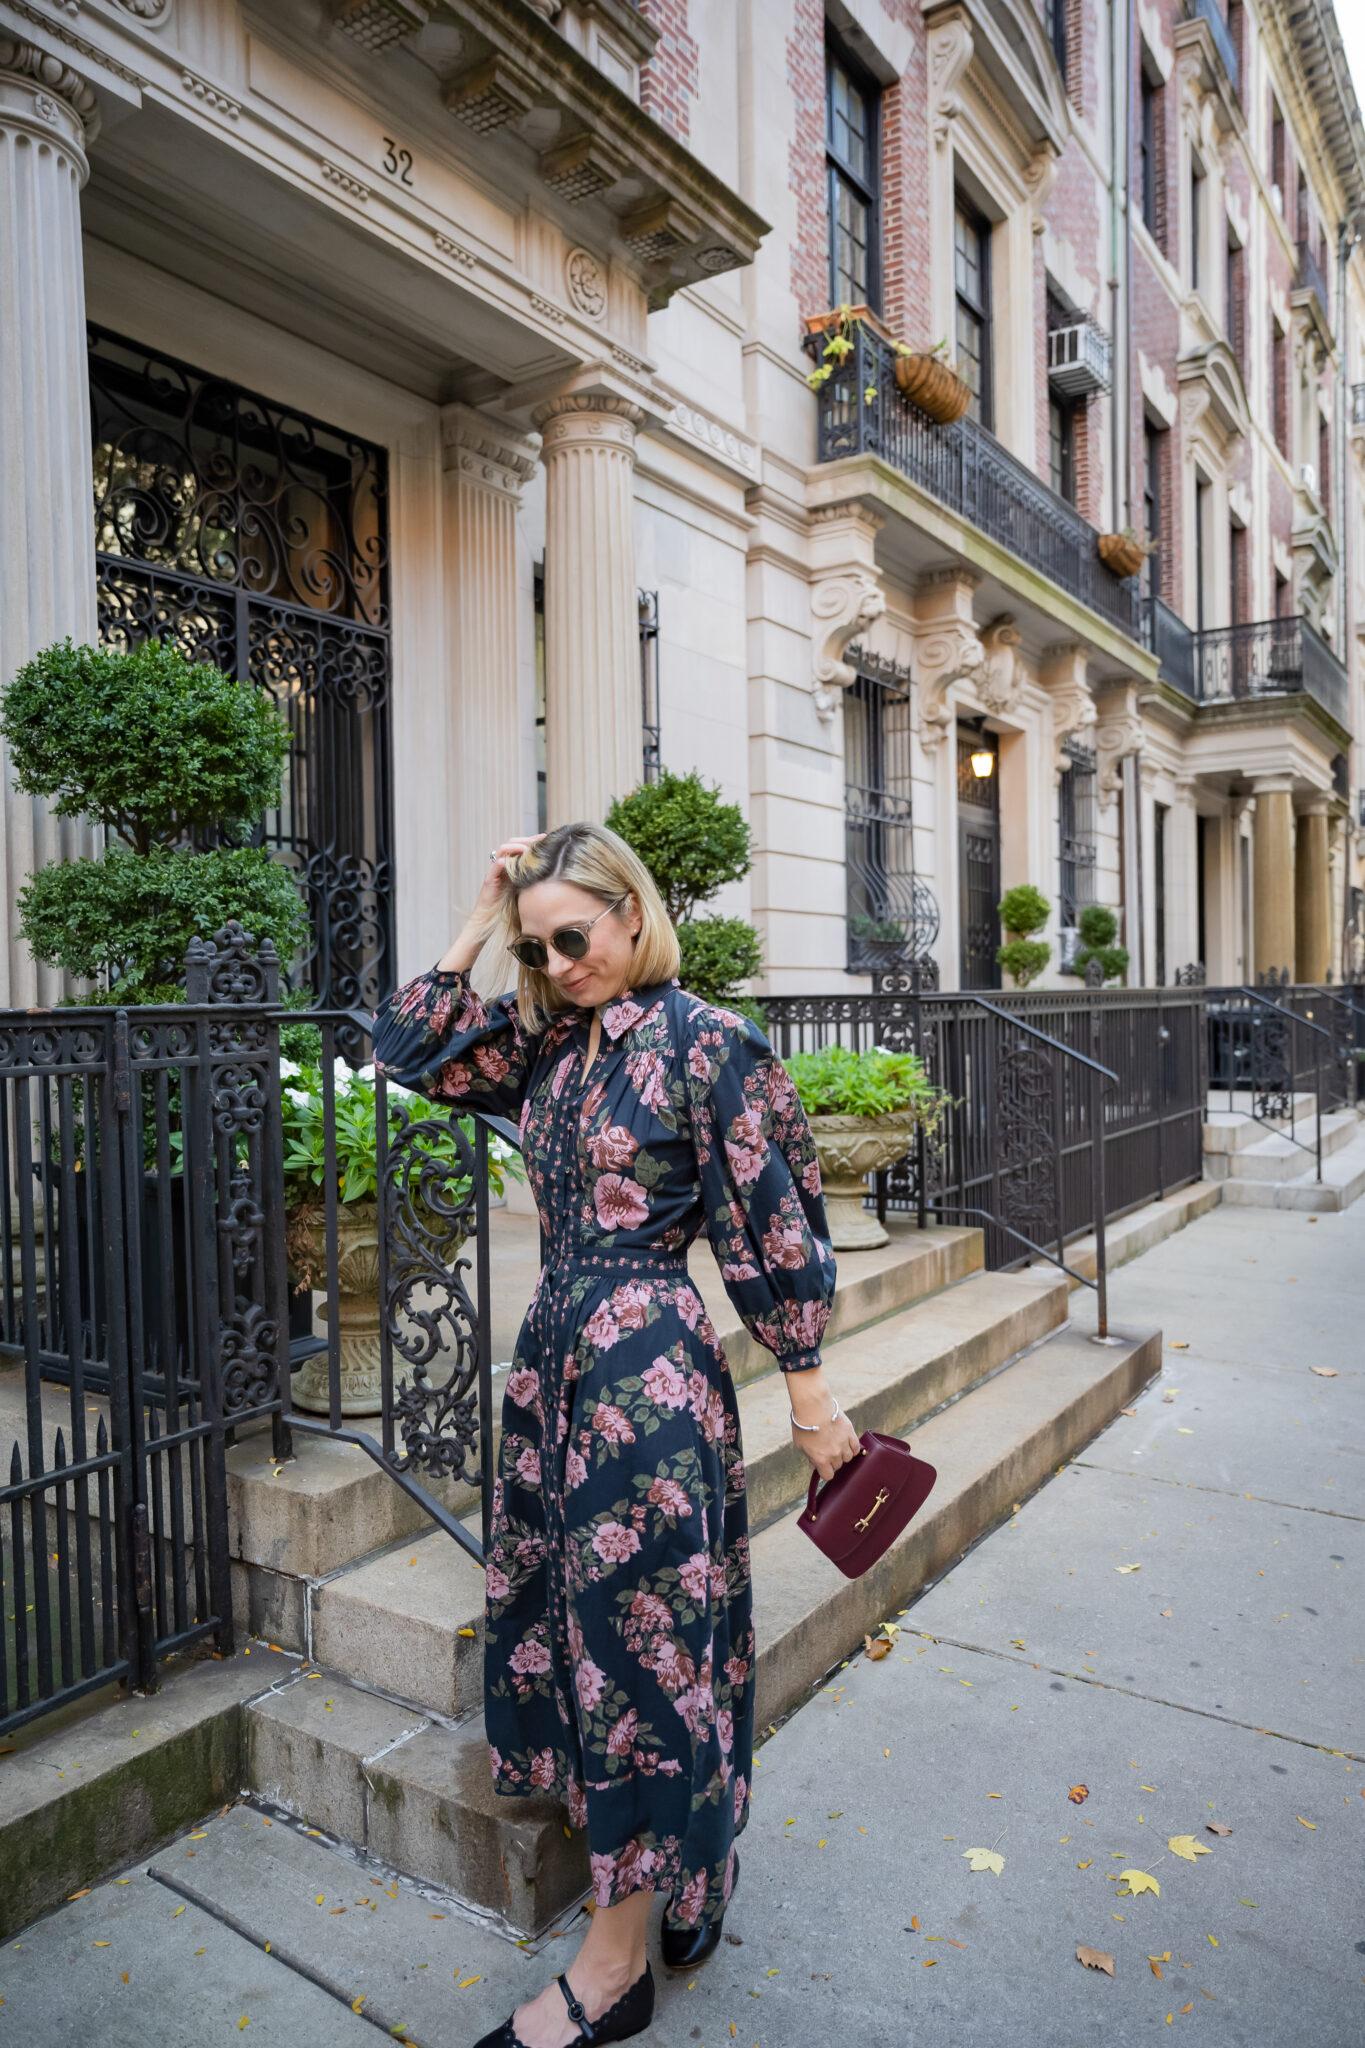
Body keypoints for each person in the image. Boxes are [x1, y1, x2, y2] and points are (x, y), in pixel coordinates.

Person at [372, 822, 859, 2048]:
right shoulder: (545, 1044)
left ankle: (615, 1962)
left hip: (649, 1376)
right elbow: (408, 1045)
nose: (559, 960)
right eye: (541, 948)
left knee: (641, 1648)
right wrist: (491, 911)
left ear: (634, 913)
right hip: (553, 1367)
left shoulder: (709, 1043)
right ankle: (689, 1875)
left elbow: (773, 1222)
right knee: (573, 1628)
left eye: (573, 935)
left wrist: (806, 1387)